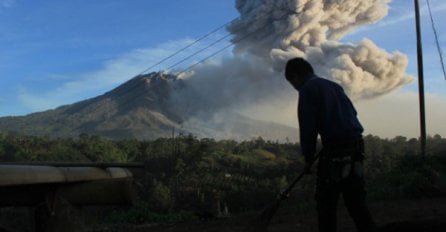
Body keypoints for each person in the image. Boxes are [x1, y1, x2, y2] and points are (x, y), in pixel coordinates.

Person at [284, 57, 377, 232]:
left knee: (326, 202)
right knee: (355, 200)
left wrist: (308, 158)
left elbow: (308, 128)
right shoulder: (334, 86)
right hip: (356, 146)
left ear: (295, 77)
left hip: (336, 151)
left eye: (292, 83)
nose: (294, 87)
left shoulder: (307, 90)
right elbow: (352, 113)